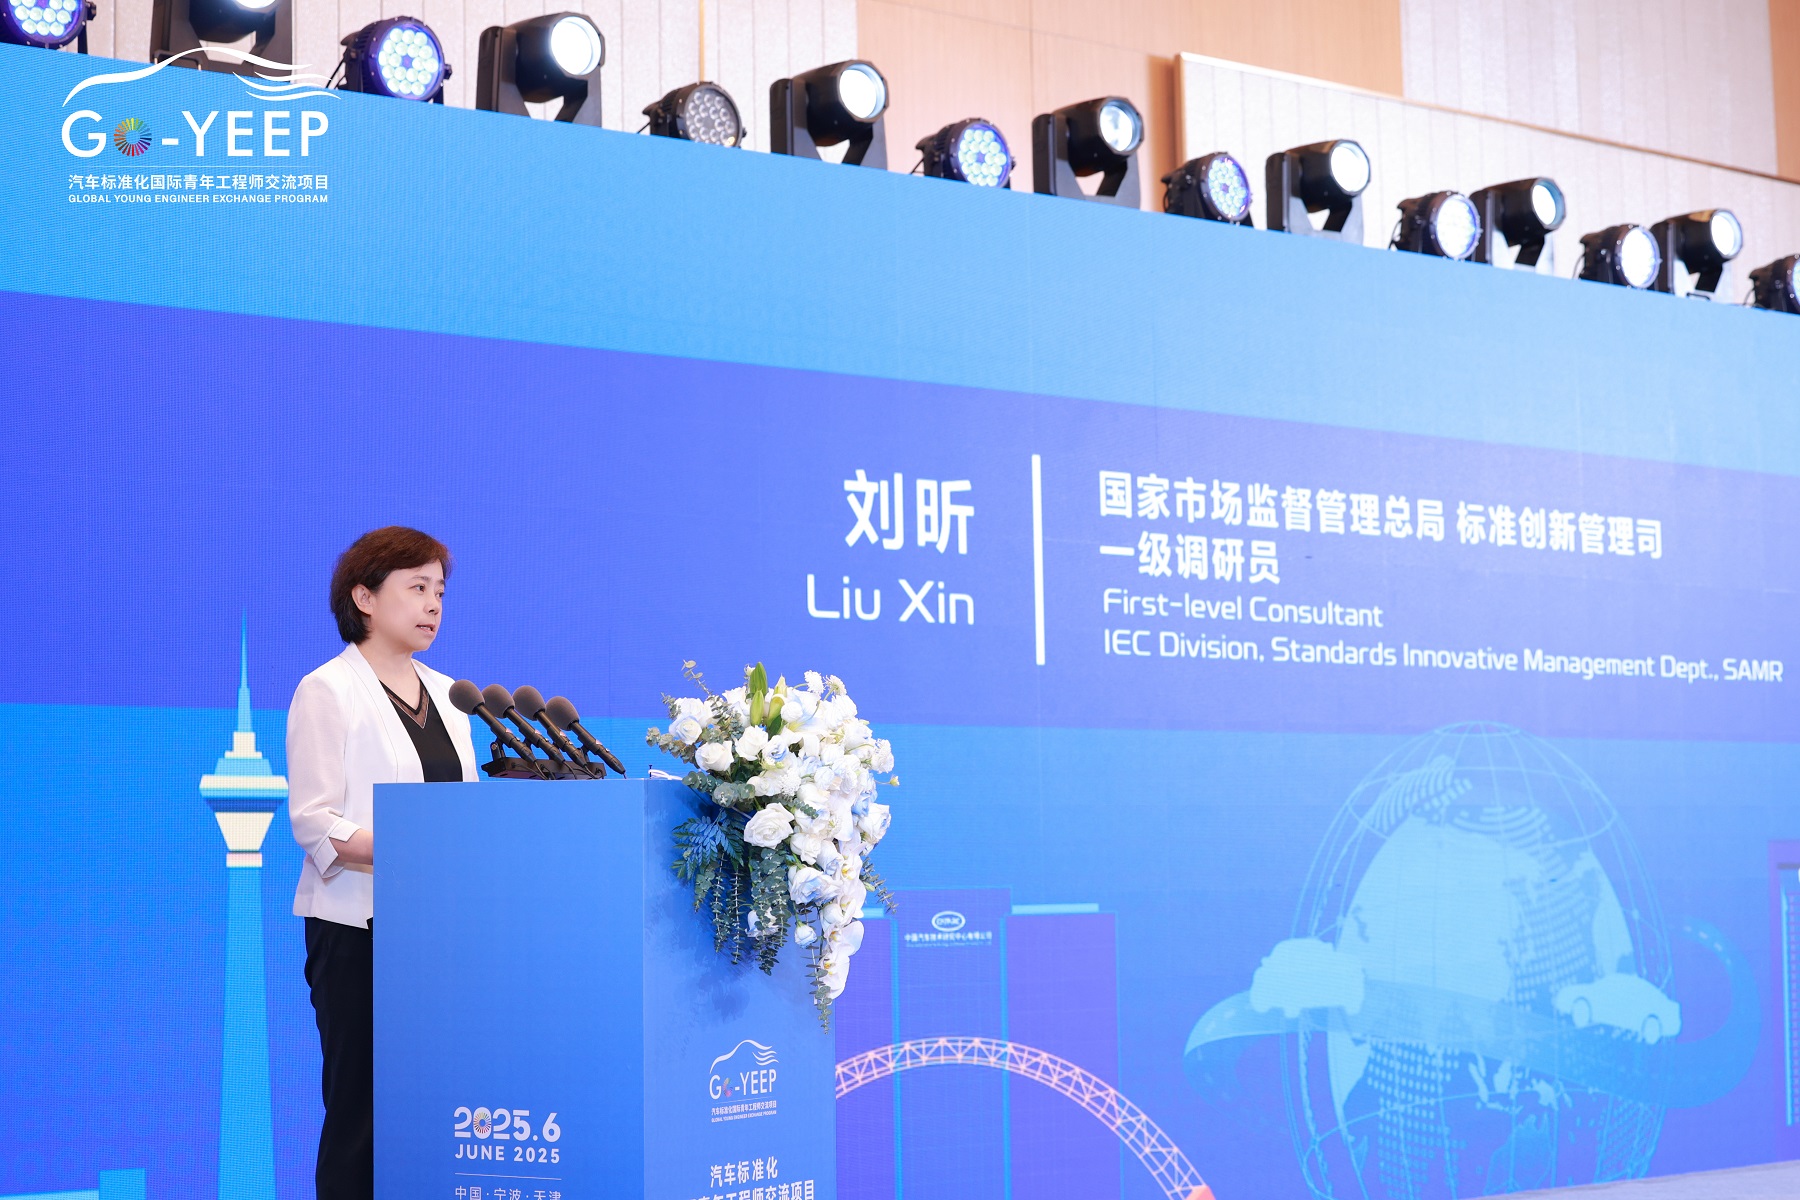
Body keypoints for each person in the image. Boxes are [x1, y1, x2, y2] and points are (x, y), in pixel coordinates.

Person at [287, 526, 478, 1199]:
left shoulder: (453, 697)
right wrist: (413, 848)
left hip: (439, 933)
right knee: (362, 1114)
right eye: (417, 587)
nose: (433, 605)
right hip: (356, 932)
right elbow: (314, 819)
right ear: (364, 598)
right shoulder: (328, 690)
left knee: (433, 1108)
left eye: (440, 591)